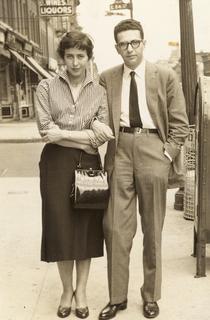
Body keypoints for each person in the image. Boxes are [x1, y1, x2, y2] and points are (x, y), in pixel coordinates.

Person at [91, 19, 189, 319]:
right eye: (123, 43)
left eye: (135, 42)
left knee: (152, 229)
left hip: (152, 149)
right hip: (119, 151)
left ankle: (150, 295)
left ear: (143, 43)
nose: (130, 48)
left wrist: (166, 153)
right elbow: (97, 114)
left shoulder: (165, 75)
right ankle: (117, 297)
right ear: (117, 47)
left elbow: (180, 123)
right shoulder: (107, 78)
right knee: (115, 229)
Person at [35, 31, 114, 319]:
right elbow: (46, 131)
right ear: (62, 58)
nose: (75, 62)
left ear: (89, 58)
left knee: (85, 229)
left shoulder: (99, 91)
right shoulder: (45, 87)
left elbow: (99, 138)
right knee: (60, 228)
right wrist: (84, 135)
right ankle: (66, 290)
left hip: (89, 165)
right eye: (70, 56)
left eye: (81, 56)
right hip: (55, 165)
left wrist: (65, 134)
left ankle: (81, 291)